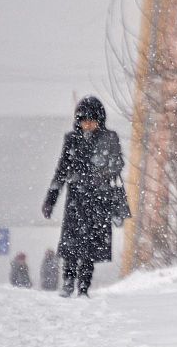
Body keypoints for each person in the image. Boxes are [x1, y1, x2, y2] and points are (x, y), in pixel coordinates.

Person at [42, 96, 124, 298]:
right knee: (72, 245)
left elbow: (118, 164)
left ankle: (84, 286)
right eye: (83, 120)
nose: (87, 124)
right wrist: (50, 200)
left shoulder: (109, 138)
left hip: (99, 200)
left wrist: (104, 171)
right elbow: (61, 171)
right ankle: (68, 282)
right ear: (77, 120)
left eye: (92, 119)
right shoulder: (72, 140)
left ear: (99, 120)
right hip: (76, 200)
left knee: (90, 248)